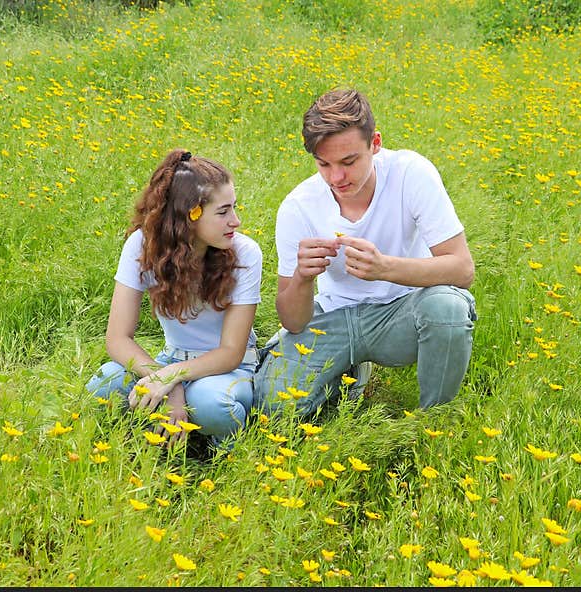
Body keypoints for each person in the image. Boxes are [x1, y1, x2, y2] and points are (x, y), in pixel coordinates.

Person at [253, 87, 477, 417]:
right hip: (332, 316)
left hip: (402, 311)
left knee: (448, 308)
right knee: (269, 407)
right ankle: (349, 372)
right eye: (323, 164)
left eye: (349, 161)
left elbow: (462, 270)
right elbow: (293, 320)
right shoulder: (298, 207)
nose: (336, 177)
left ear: (375, 144)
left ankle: (433, 422)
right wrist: (301, 278)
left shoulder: (410, 174)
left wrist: (384, 267)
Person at [86, 149, 262, 452]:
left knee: (209, 404)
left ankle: (226, 453)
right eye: (223, 212)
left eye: (234, 207)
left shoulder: (245, 253)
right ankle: (139, 438)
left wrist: (170, 378)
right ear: (189, 215)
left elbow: (231, 352)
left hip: (229, 369)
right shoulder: (142, 246)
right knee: (104, 384)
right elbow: (117, 338)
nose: (236, 220)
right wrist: (172, 385)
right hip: (171, 358)